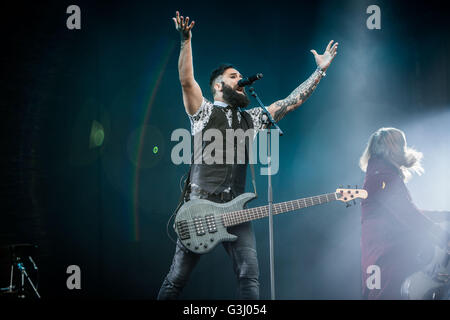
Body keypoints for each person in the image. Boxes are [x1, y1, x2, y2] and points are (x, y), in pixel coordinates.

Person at [157, 11, 338, 300]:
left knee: (249, 275)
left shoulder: (252, 117)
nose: (241, 80)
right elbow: (186, 81)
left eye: (241, 76)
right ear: (218, 86)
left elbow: (291, 102)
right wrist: (186, 40)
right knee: (177, 278)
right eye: (233, 77)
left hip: (236, 207)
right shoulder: (203, 113)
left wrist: (320, 70)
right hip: (200, 206)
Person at [359, 127, 450, 299]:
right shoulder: (383, 178)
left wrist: (443, 215)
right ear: (394, 149)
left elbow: (406, 213)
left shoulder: (378, 175)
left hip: (378, 258)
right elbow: (409, 216)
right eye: (402, 146)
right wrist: (444, 238)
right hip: (385, 258)